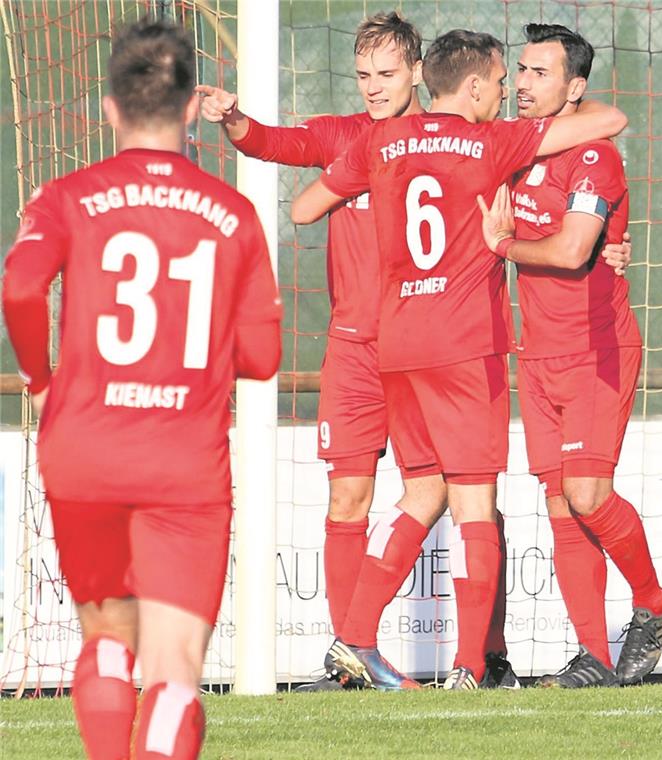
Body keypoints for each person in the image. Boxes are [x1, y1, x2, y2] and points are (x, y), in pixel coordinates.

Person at [292, 29, 628, 690]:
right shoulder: (489, 142)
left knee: (420, 494)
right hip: (463, 346)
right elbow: (609, 121)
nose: (507, 92)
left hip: (395, 345)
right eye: (502, 81)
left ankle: (354, 638)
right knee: (475, 507)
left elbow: (304, 209)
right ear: (472, 87)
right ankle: (471, 667)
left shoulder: (382, 141)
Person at [198, 12, 517, 692]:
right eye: (363, 76)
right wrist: (234, 121)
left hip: (433, 345)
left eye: (386, 75)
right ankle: (350, 663)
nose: (373, 88)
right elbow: (274, 145)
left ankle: (484, 657)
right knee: (349, 499)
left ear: (416, 74)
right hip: (356, 350)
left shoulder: (464, 141)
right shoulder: (345, 137)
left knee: (464, 499)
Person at [2, 18, 281, 759]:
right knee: (175, 672)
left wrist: (41, 381)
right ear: (193, 108)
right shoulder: (236, 215)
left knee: (106, 636)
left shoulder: (66, 196)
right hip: (183, 462)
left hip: (84, 449)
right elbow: (262, 356)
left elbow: (21, 286)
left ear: (109, 109)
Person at [477, 23, 662, 688]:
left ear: (574, 88)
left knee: (589, 495)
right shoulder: (515, 150)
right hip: (536, 358)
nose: (524, 84)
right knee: (560, 505)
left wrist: (502, 244)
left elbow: (567, 251)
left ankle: (652, 604)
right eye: (521, 71)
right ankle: (594, 654)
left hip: (595, 350)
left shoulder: (593, 157)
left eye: (540, 73)